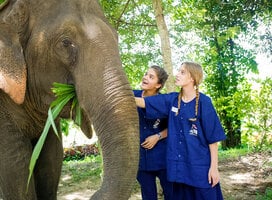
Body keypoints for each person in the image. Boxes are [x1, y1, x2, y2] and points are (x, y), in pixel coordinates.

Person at [135, 61, 226, 200]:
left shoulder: (204, 102)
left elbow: (213, 139)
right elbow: (144, 102)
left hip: (199, 168)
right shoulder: (172, 100)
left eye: (182, 72)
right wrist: (118, 94)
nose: (177, 74)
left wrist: (214, 168)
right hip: (178, 170)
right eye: (178, 71)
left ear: (192, 78)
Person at [134, 65, 173, 200]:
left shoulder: (165, 101)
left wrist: (157, 136)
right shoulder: (133, 95)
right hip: (141, 157)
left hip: (162, 156)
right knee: (148, 196)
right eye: (146, 74)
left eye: (151, 77)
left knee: (171, 193)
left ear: (158, 85)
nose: (145, 77)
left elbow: (174, 126)